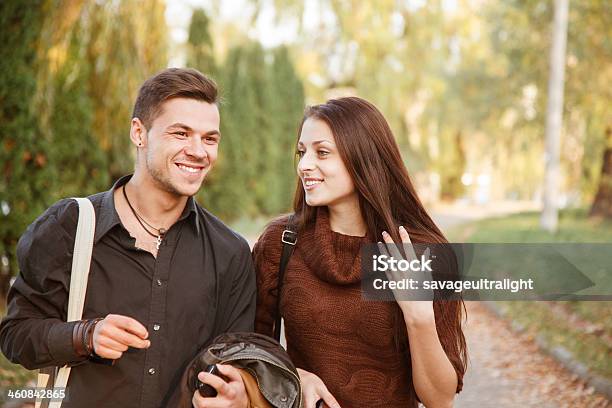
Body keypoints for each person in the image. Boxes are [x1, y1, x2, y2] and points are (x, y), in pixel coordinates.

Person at [0, 68, 257, 407]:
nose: (198, 151)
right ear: (139, 133)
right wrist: (85, 336)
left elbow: (236, 364)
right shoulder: (70, 226)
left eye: (210, 139)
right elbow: (15, 335)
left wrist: (240, 391)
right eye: (181, 133)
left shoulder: (231, 253)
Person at [253, 97, 468, 408]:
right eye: (302, 152)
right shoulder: (281, 242)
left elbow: (439, 399)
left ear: (363, 158)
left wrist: (419, 317)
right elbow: (250, 348)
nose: (304, 165)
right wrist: (294, 375)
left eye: (322, 152)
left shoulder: (424, 252)